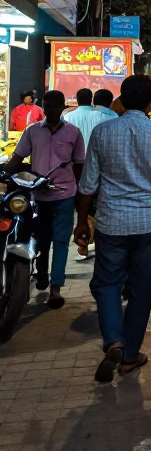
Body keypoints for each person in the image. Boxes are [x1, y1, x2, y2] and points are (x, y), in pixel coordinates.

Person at [75, 74, 151, 383]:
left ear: (121, 99)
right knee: (140, 290)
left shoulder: (102, 132)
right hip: (148, 224)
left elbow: (88, 184)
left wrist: (82, 221)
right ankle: (130, 356)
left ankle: (114, 340)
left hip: (111, 223)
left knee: (106, 284)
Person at [3, 90, 85, 308]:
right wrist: (3, 170)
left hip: (65, 194)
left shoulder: (73, 133)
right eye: (47, 106)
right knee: (41, 240)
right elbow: (17, 158)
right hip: (38, 195)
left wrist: (79, 192)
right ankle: (41, 275)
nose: (50, 110)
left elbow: (79, 164)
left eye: (54, 106)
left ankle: (56, 288)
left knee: (60, 242)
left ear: (61, 107)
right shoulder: (32, 132)